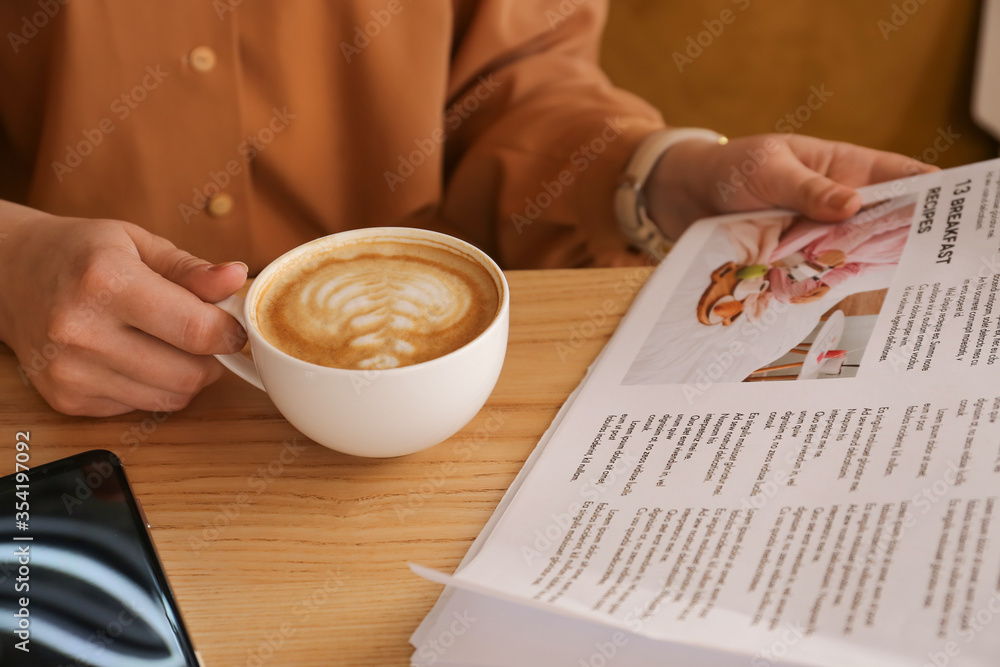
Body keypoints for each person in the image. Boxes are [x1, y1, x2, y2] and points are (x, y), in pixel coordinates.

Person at [0, 1, 933, 417]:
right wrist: (11, 258)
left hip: (438, 441)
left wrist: (662, 176)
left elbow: (508, 84)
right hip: (51, 425)